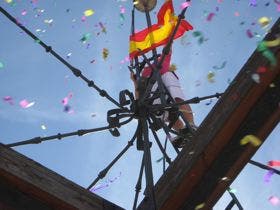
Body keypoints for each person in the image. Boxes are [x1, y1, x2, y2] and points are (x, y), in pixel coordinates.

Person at [130, 49, 197, 148]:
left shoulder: (161, 63)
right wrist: (134, 82)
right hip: (154, 94)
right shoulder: (143, 76)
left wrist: (168, 41)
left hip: (165, 83)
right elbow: (139, 96)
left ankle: (191, 125)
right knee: (168, 116)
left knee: (177, 99)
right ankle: (182, 132)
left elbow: (167, 52)